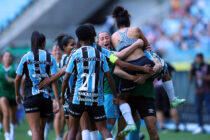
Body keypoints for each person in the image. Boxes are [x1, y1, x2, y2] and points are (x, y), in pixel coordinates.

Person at [111, 6, 186, 136]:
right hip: (142, 62)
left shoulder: (113, 36)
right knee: (165, 69)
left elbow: (116, 57)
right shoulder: (136, 29)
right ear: (128, 22)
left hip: (128, 67)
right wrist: (153, 59)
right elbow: (148, 46)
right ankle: (173, 99)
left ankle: (129, 122)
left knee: (121, 98)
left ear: (117, 24)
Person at [61, 25, 118, 140]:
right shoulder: (100, 54)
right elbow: (109, 76)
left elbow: (66, 77)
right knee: (103, 128)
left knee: (73, 128)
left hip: (78, 96)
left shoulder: (75, 54)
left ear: (78, 39)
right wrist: (115, 95)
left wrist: (62, 96)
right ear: (92, 38)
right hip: (96, 97)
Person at [15, 31, 60, 140]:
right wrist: (56, 100)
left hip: (31, 97)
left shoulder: (26, 57)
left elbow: (17, 79)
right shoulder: (50, 58)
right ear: (44, 43)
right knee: (41, 131)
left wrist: (17, 94)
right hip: (46, 98)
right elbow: (54, 80)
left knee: (35, 130)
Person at [154, 63, 179, 132]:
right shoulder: (165, 63)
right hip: (166, 86)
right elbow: (174, 71)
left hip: (157, 88)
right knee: (172, 106)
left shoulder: (150, 62)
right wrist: (172, 81)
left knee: (158, 109)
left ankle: (163, 127)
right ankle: (176, 126)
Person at [189, 53, 210, 134]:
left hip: (207, 91)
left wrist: (202, 77)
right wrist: (190, 71)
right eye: (197, 58)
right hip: (197, 91)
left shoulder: (207, 66)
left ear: (202, 58)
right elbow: (190, 79)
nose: (198, 60)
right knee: (198, 109)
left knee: (209, 109)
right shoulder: (195, 67)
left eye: (199, 58)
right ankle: (200, 126)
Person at [0, 51, 17, 140]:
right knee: (6, 113)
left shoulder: (15, 68)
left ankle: (12, 132)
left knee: (12, 116)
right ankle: (7, 136)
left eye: (10, 56)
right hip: (2, 94)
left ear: (12, 58)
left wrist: (14, 81)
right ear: (2, 58)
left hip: (13, 95)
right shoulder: (0, 68)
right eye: (6, 56)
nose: (8, 58)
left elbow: (21, 80)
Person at [51, 45, 65, 140]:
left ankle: (61, 134)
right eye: (55, 50)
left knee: (63, 117)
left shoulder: (65, 62)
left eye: (59, 49)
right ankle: (58, 137)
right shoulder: (50, 64)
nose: (57, 51)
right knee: (58, 114)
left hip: (64, 93)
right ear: (52, 53)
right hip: (54, 94)